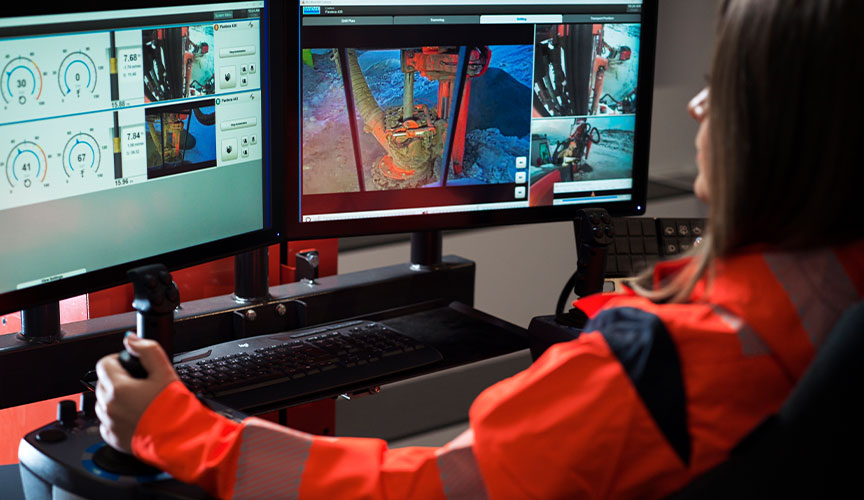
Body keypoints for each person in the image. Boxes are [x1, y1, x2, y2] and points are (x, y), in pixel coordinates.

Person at [96, 0, 864, 498]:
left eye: (724, 84)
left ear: (787, 130)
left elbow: (426, 489)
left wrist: (173, 424)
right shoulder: (838, 306)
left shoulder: (654, 369)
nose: (697, 105)